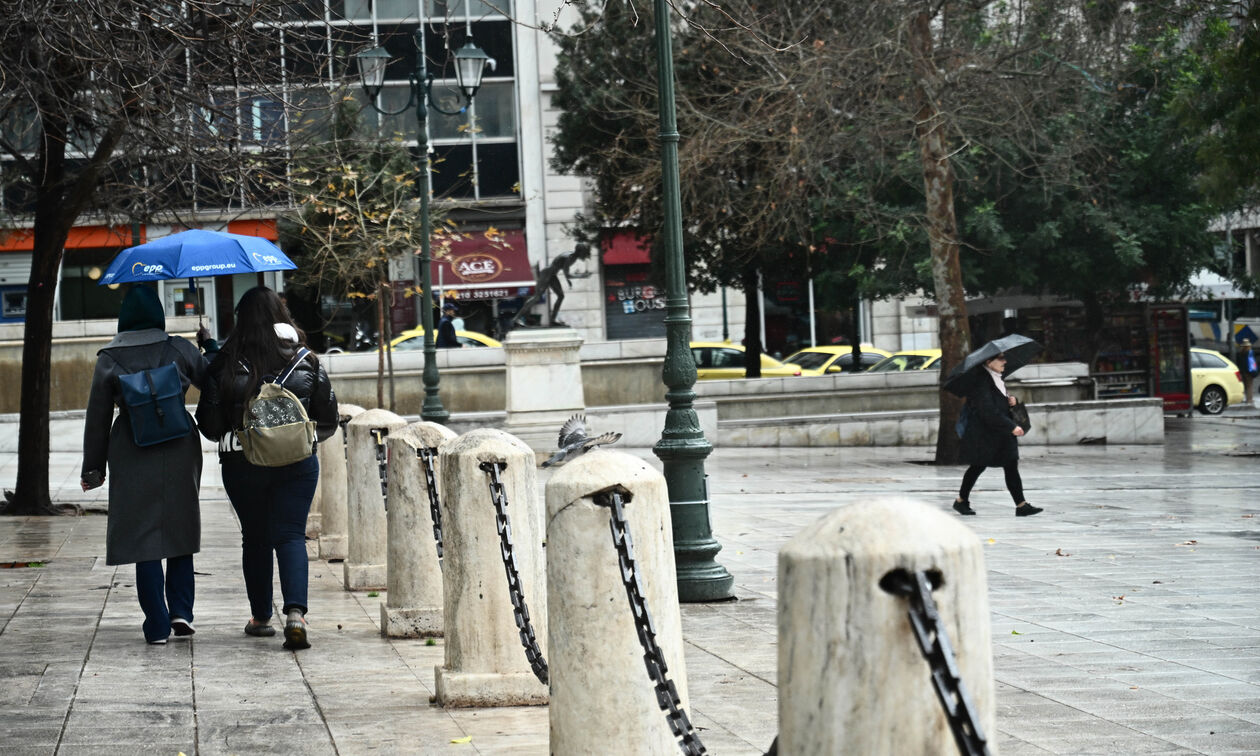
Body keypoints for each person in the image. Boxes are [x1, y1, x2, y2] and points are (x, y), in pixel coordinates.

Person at [195, 287, 338, 650]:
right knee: (291, 535)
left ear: (240, 320)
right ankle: (296, 615)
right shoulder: (306, 359)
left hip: (243, 464)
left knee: (255, 537)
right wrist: (296, 439)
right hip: (297, 463)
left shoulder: (225, 362)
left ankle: (261, 618)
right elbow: (329, 418)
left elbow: (209, 426)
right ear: (282, 316)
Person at [81, 286, 211, 645]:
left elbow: (98, 415)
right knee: (180, 527)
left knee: (143, 538)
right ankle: (182, 611)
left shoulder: (108, 357)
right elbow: (213, 381)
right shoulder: (180, 347)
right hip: (179, 443)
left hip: (132, 447)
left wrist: (94, 469)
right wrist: (209, 346)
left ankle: (156, 624)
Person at [952, 353, 1043, 517]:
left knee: (1011, 466)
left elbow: (998, 402)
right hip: (986, 433)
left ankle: (1021, 505)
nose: (1005, 361)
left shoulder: (996, 378)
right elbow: (987, 410)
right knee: (977, 466)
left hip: (1000, 433)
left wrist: (1012, 400)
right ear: (988, 361)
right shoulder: (981, 382)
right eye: (1000, 359)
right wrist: (1011, 426)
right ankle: (961, 501)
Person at [512, 242, 592, 327]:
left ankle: (553, 320)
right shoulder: (570, 257)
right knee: (537, 297)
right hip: (547, 274)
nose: (585, 256)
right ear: (580, 252)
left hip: (552, 275)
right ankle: (517, 318)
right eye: (585, 254)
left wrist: (569, 280)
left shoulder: (572, 256)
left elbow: (565, 272)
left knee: (561, 296)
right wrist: (582, 275)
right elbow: (567, 274)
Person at [1239, 339, 1257, 404]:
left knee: (1245, 386)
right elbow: (1252, 362)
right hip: (1249, 371)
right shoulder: (1250, 352)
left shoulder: (1241, 353)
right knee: (1250, 386)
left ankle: (1246, 399)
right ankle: (1249, 399)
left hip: (1243, 371)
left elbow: (1240, 363)